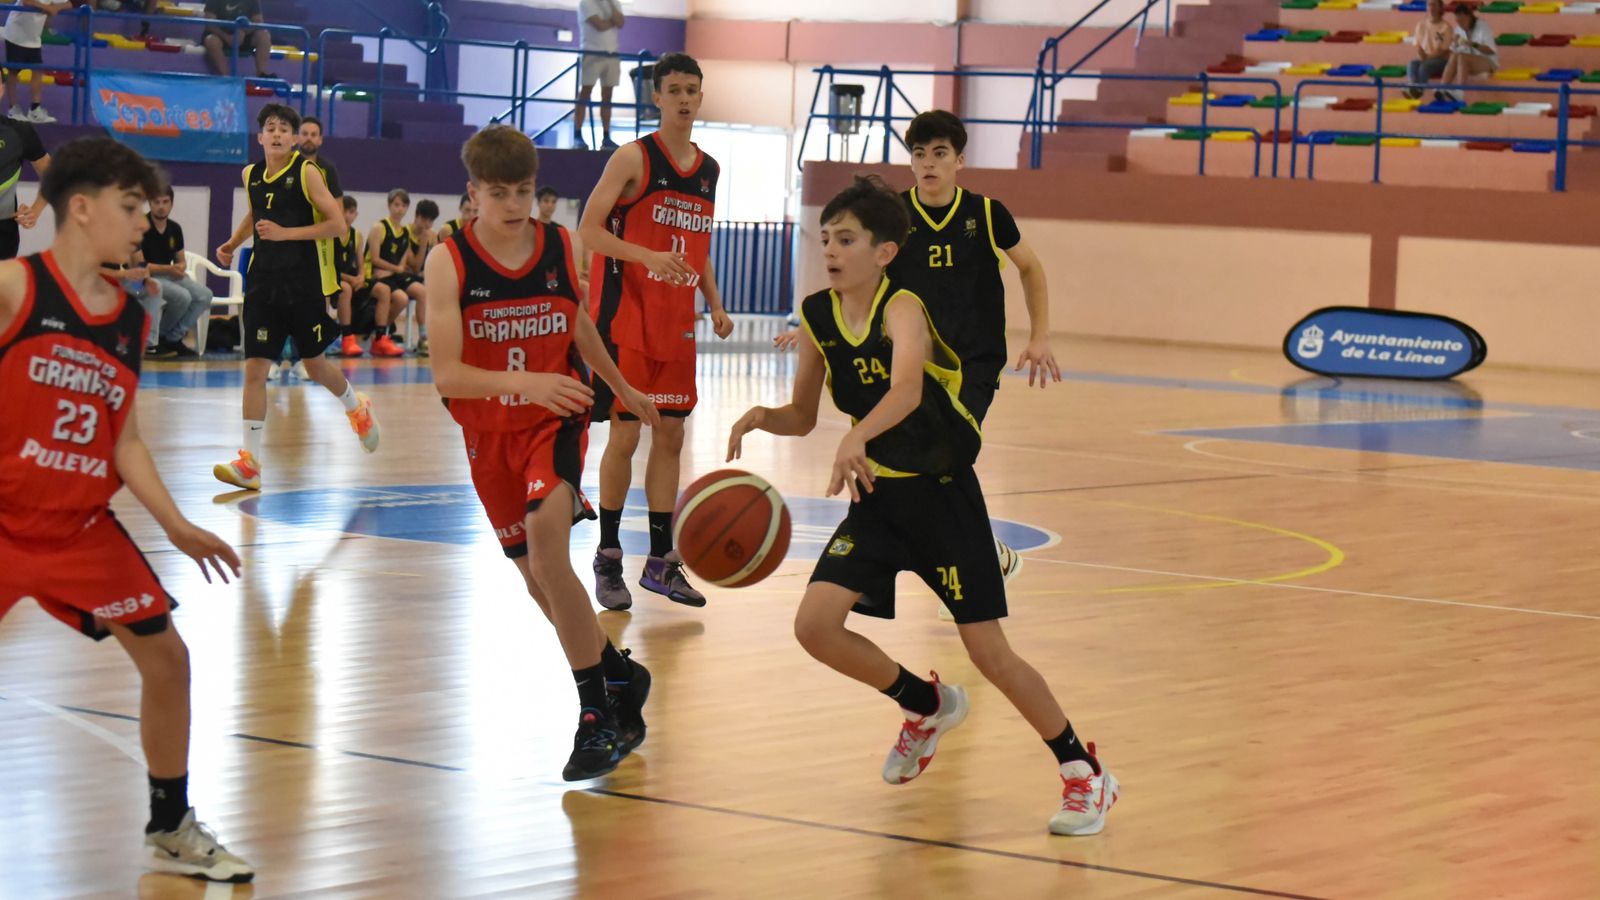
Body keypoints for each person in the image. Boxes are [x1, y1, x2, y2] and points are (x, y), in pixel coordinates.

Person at [726, 174, 1118, 837]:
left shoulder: (902, 308)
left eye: (846, 238)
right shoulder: (819, 314)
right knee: (815, 626)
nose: (831, 248)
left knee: (992, 654)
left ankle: (1084, 771)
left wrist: (855, 433)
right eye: (826, 237)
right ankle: (928, 703)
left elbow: (906, 389)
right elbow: (801, 413)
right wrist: (762, 416)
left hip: (941, 497)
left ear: (882, 251)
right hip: (879, 499)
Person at [0, 135, 253, 881]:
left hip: (78, 527)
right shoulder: (15, 288)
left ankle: (170, 824)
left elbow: (127, 440)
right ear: (81, 210)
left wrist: (177, 524)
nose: (145, 220)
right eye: (131, 206)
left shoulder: (128, 318)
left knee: (168, 659)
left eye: (146, 207)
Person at [424, 123, 658, 780]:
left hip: (555, 421)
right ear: (472, 195)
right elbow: (446, 374)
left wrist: (621, 387)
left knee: (550, 549)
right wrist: (521, 380)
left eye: (523, 191)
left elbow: (577, 323)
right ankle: (618, 676)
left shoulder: (557, 245)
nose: (513, 205)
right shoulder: (449, 262)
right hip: (487, 435)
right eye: (498, 193)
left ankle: (596, 718)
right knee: (537, 580)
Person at [579, 52, 733, 611]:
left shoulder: (710, 170)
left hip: (678, 325)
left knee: (671, 437)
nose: (685, 98)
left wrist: (714, 302)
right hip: (627, 319)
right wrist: (645, 255)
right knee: (625, 437)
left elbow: (700, 249)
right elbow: (589, 231)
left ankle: (662, 563)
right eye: (675, 90)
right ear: (657, 97)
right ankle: (608, 556)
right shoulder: (633, 158)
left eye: (693, 89)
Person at [212, 103, 380, 491]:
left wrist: (286, 233)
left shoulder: (307, 173)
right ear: (260, 138)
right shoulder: (250, 173)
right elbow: (256, 214)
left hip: (302, 285)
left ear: (293, 139)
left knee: (316, 366)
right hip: (262, 285)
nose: (276, 134)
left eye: (284, 129)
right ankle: (250, 464)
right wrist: (233, 243)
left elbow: (337, 225)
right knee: (255, 369)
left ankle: (357, 408)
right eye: (269, 128)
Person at [143, 182, 213, 358]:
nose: (161, 207)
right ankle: (158, 338)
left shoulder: (175, 229)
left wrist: (180, 267)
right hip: (144, 277)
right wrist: (170, 268)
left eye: (165, 202)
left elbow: (180, 260)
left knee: (204, 295)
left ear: (171, 204)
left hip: (170, 275)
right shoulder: (140, 227)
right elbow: (138, 266)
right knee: (183, 296)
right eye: (156, 202)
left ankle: (172, 337)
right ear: (149, 203)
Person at [0, 88, 49, 260]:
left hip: (3, 239)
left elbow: (53, 174)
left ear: (1, 89)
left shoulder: (19, 132)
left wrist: (36, 209)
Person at [365, 187, 414, 358]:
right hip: (370, 274)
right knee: (389, 294)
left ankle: (380, 334)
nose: (400, 208)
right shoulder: (379, 227)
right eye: (396, 204)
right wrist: (395, 269)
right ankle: (379, 337)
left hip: (389, 275)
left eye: (403, 205)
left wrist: (394, 270)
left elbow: (402, 260)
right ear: (389, 205)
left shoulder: (406, 231)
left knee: (402, 299)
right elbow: (375, 258)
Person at [3, 0, 69, 123]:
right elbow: (26, 1)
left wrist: (56, 7)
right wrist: (46, 7)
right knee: (13, 71)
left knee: (38, 70)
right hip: (16, 33)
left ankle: (35, 109)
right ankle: (13, 109)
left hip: (33, 37)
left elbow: (68, 3)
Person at [574, 0, 624, 151]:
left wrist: (612, 10)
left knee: (607, 95)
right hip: (592, 52)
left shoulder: (614, 2)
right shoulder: (586, 3)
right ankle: (577, 134)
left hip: (612, 53)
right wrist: (612, 22)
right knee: (585, 92)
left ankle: (606, 136)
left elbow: (620, 22)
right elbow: (599, 25)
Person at [1438, 3, 1497, 104]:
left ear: (1469, 17)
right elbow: (1454, 52)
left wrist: (1473, 44)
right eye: (1457, 21)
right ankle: (1442, 88)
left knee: (1462, 57)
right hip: (1467, 63)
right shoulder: (1459, 29)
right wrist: (1452, 43)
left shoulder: (1482, 26)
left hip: (1488, 62)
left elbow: (1491, 50)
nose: (1460, 24)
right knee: (1456, 55)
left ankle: (1460, 92)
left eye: (1462, 21)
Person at [202, 0, 273, 80]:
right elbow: (209, 23)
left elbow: (258, 21)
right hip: (220, 36)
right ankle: (226, 77)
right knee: (211, 41)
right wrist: (227, 37)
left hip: (244, 36)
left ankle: (261, 73)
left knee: (264, 34)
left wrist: (243, 31)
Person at [333, 194, 368, 357]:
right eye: (344, 211)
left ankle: (382, 336)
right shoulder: (331, 233)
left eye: (351, 212)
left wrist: (361, 276)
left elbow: (361, 263)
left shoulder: (357, 235)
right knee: (346, 288)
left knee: (383, 290)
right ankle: (347, 336)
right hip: (333, 278)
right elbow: (329, 267)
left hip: (352, 278)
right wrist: (350, 279)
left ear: (356, 214)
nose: (347, 216)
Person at [404, 198, 436, 355]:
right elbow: (415, 266)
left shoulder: (433, 236)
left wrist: (427, 274)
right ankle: (424, 336)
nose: (426, 224)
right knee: (422, 292)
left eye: (430, 221)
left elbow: (434, 263)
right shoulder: (405, 233)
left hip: (423, 277)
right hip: (404, 277)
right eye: (424, 219)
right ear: (416, 216)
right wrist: (423, 243)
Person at [1405, 0, 1454, 100]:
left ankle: (1420, 90)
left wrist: (1426, 57)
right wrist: (1422, 54)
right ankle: (1412, 87)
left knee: (1425, 66)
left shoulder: (1446, 27)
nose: (1431, 8)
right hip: (1425, 58)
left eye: (1434, 5)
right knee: (1412, 64)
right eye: (1429, 5)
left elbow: (1442, 51)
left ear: (1440, 7)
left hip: (1441, 60)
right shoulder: (1421, 25)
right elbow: (1418, 45)